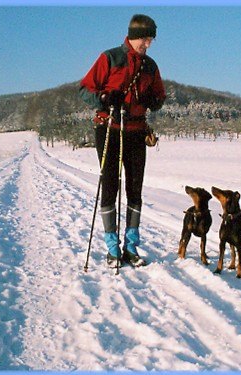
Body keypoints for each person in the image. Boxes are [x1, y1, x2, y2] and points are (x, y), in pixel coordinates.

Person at [79, 14, 166, 268]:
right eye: (146, 39)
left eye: (150, 40)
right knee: (110, 187)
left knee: (135, 189)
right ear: (134, 35)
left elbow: (159, 95)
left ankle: (130, 246)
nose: (148, 44)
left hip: (136, 132)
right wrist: (105, 99)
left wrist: (154, 102)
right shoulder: (110, 57)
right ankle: (111, 248)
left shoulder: (150, 66)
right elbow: (85, 89)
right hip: (109, 129)